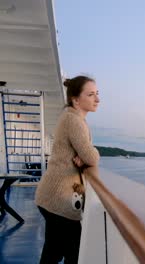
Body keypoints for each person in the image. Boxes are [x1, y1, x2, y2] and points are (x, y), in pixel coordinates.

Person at [35, 75, 100, 264]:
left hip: (53, 197)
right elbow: (92, 157)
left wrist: (86, 156)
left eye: (97, 94)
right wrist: (90, 155)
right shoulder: (73, 120)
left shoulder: (74, 117)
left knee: (54, 253)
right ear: (76, 99)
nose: (97, 99)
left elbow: (86, 155)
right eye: (91, 94)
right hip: (57, 200)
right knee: (73, 252)